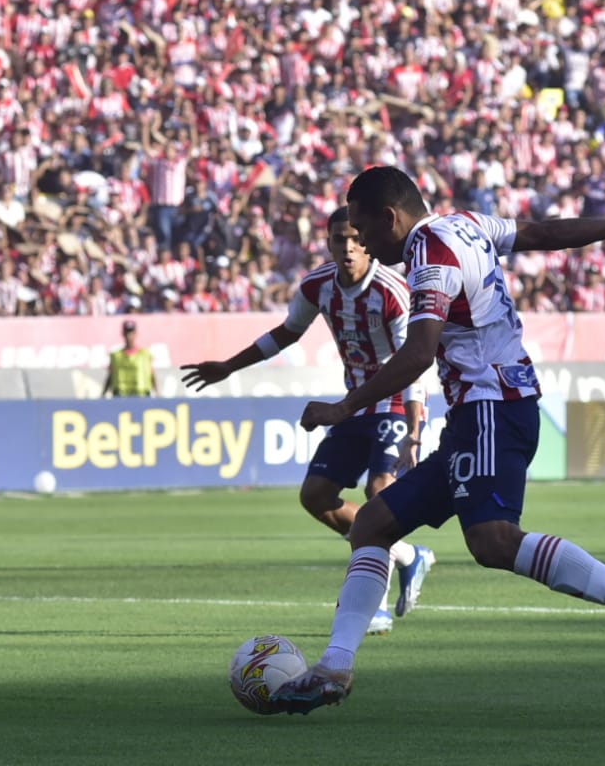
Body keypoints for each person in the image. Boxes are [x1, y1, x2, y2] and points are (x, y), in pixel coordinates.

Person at [270, 166, 605, 716]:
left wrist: (344, 407)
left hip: (493, 404)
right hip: (483, 410)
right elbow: (542, 233)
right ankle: (334, 667)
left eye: (362, 229)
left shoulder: (430, 254)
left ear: (389, 218)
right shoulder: (466, 225)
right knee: (373, 524)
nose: (362, 243)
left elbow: (419, 352)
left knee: (493, 541)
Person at [181, 207, 435, 635]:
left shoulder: (392, 290)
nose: (349, 247)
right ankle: (409, 556)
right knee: (315, 496)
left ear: (368, 241)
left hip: (392, 401)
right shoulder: (318, 286)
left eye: (356, 238)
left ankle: (370, 601)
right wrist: (228, 366)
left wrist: (414, 431)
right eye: (340, 239)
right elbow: (285, 333)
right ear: (329, 243)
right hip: (353, 405)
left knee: (379, 492)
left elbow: (413, 362)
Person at [103, 319, 154, 398]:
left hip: (141, 396)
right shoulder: (116, 356)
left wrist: (158, 395)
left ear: (136, 334)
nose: (129, 336)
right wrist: (102, 395)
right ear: (123, 334)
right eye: (127, 333)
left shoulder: (145, 354)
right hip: (120, 396)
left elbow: (152, 374)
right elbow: (111, 376)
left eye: (132, 333)